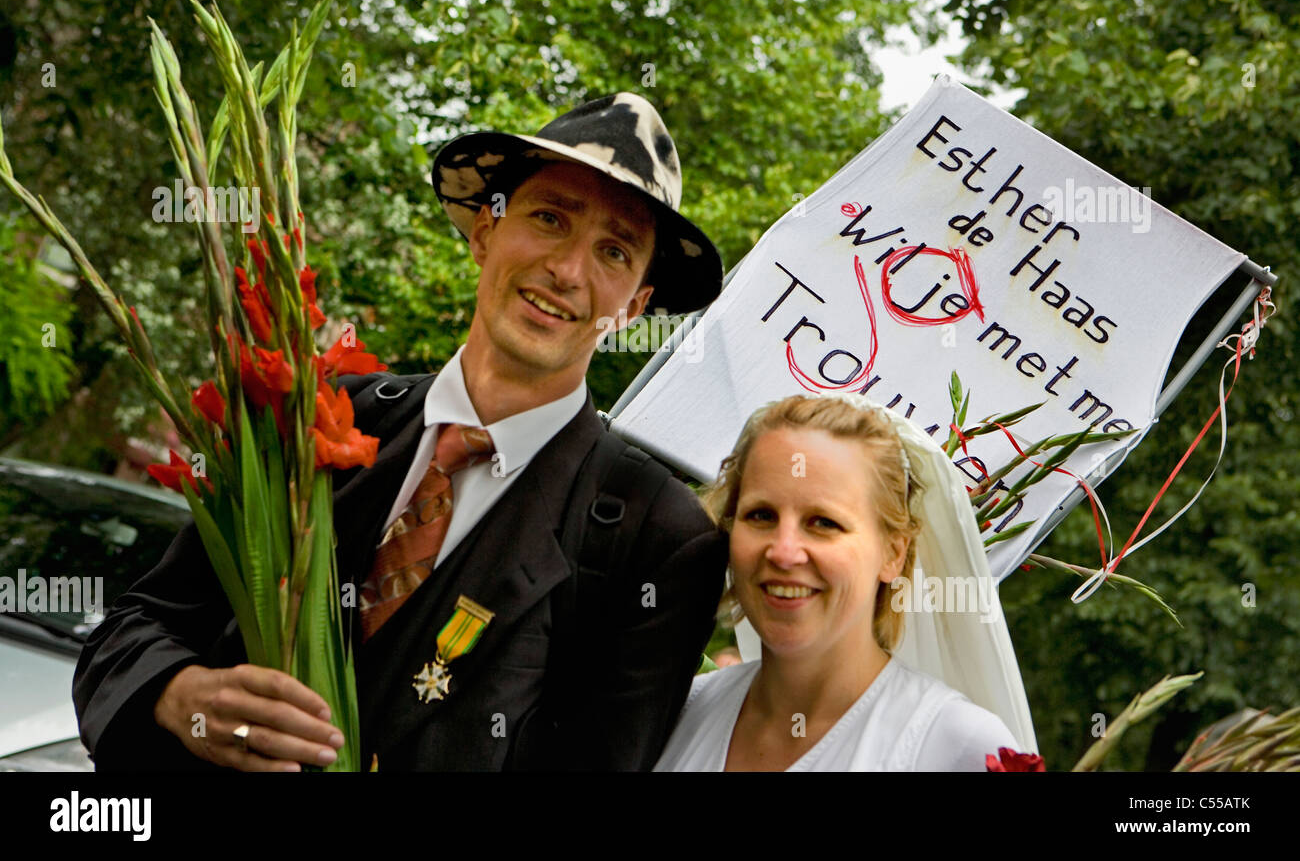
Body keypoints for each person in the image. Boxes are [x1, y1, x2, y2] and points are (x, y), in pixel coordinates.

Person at [73, 92, 730, 771]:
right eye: (549, 217)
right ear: (483, 230)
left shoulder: (656, 540)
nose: (567, 271)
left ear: (635, 306)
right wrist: (180, 697)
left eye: (615, 251)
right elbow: (134, 628)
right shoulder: (321, 417)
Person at [654, 394, 1038, 771]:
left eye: (823, 522)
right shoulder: (678, 712)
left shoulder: (953, 746)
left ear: (893, 553)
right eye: (761, 515)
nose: (783, 552)